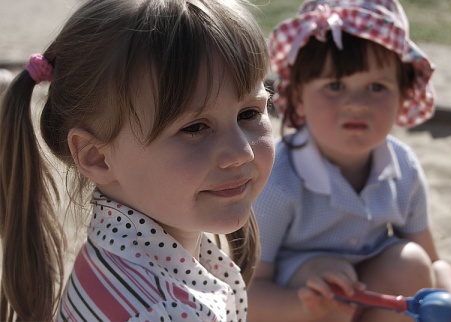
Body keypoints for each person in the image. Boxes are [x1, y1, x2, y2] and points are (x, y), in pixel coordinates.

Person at [0, 0, 275, 320]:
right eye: (195, 128)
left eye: (249, 113)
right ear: (97, 157)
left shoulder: (117, 257)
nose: (242, 152)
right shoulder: (164, 311)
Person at [248, 0, 451, 321]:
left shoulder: (403, 167)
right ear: (298, 96)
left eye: (376, 86)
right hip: (295, 305)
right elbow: (247, 289)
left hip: (371, 298)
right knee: (331, 277)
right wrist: (304, 305)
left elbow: (432, 262)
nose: (356, 104)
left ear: (403, 94)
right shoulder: (280, 177)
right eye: (335, 85)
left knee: (410, 261)